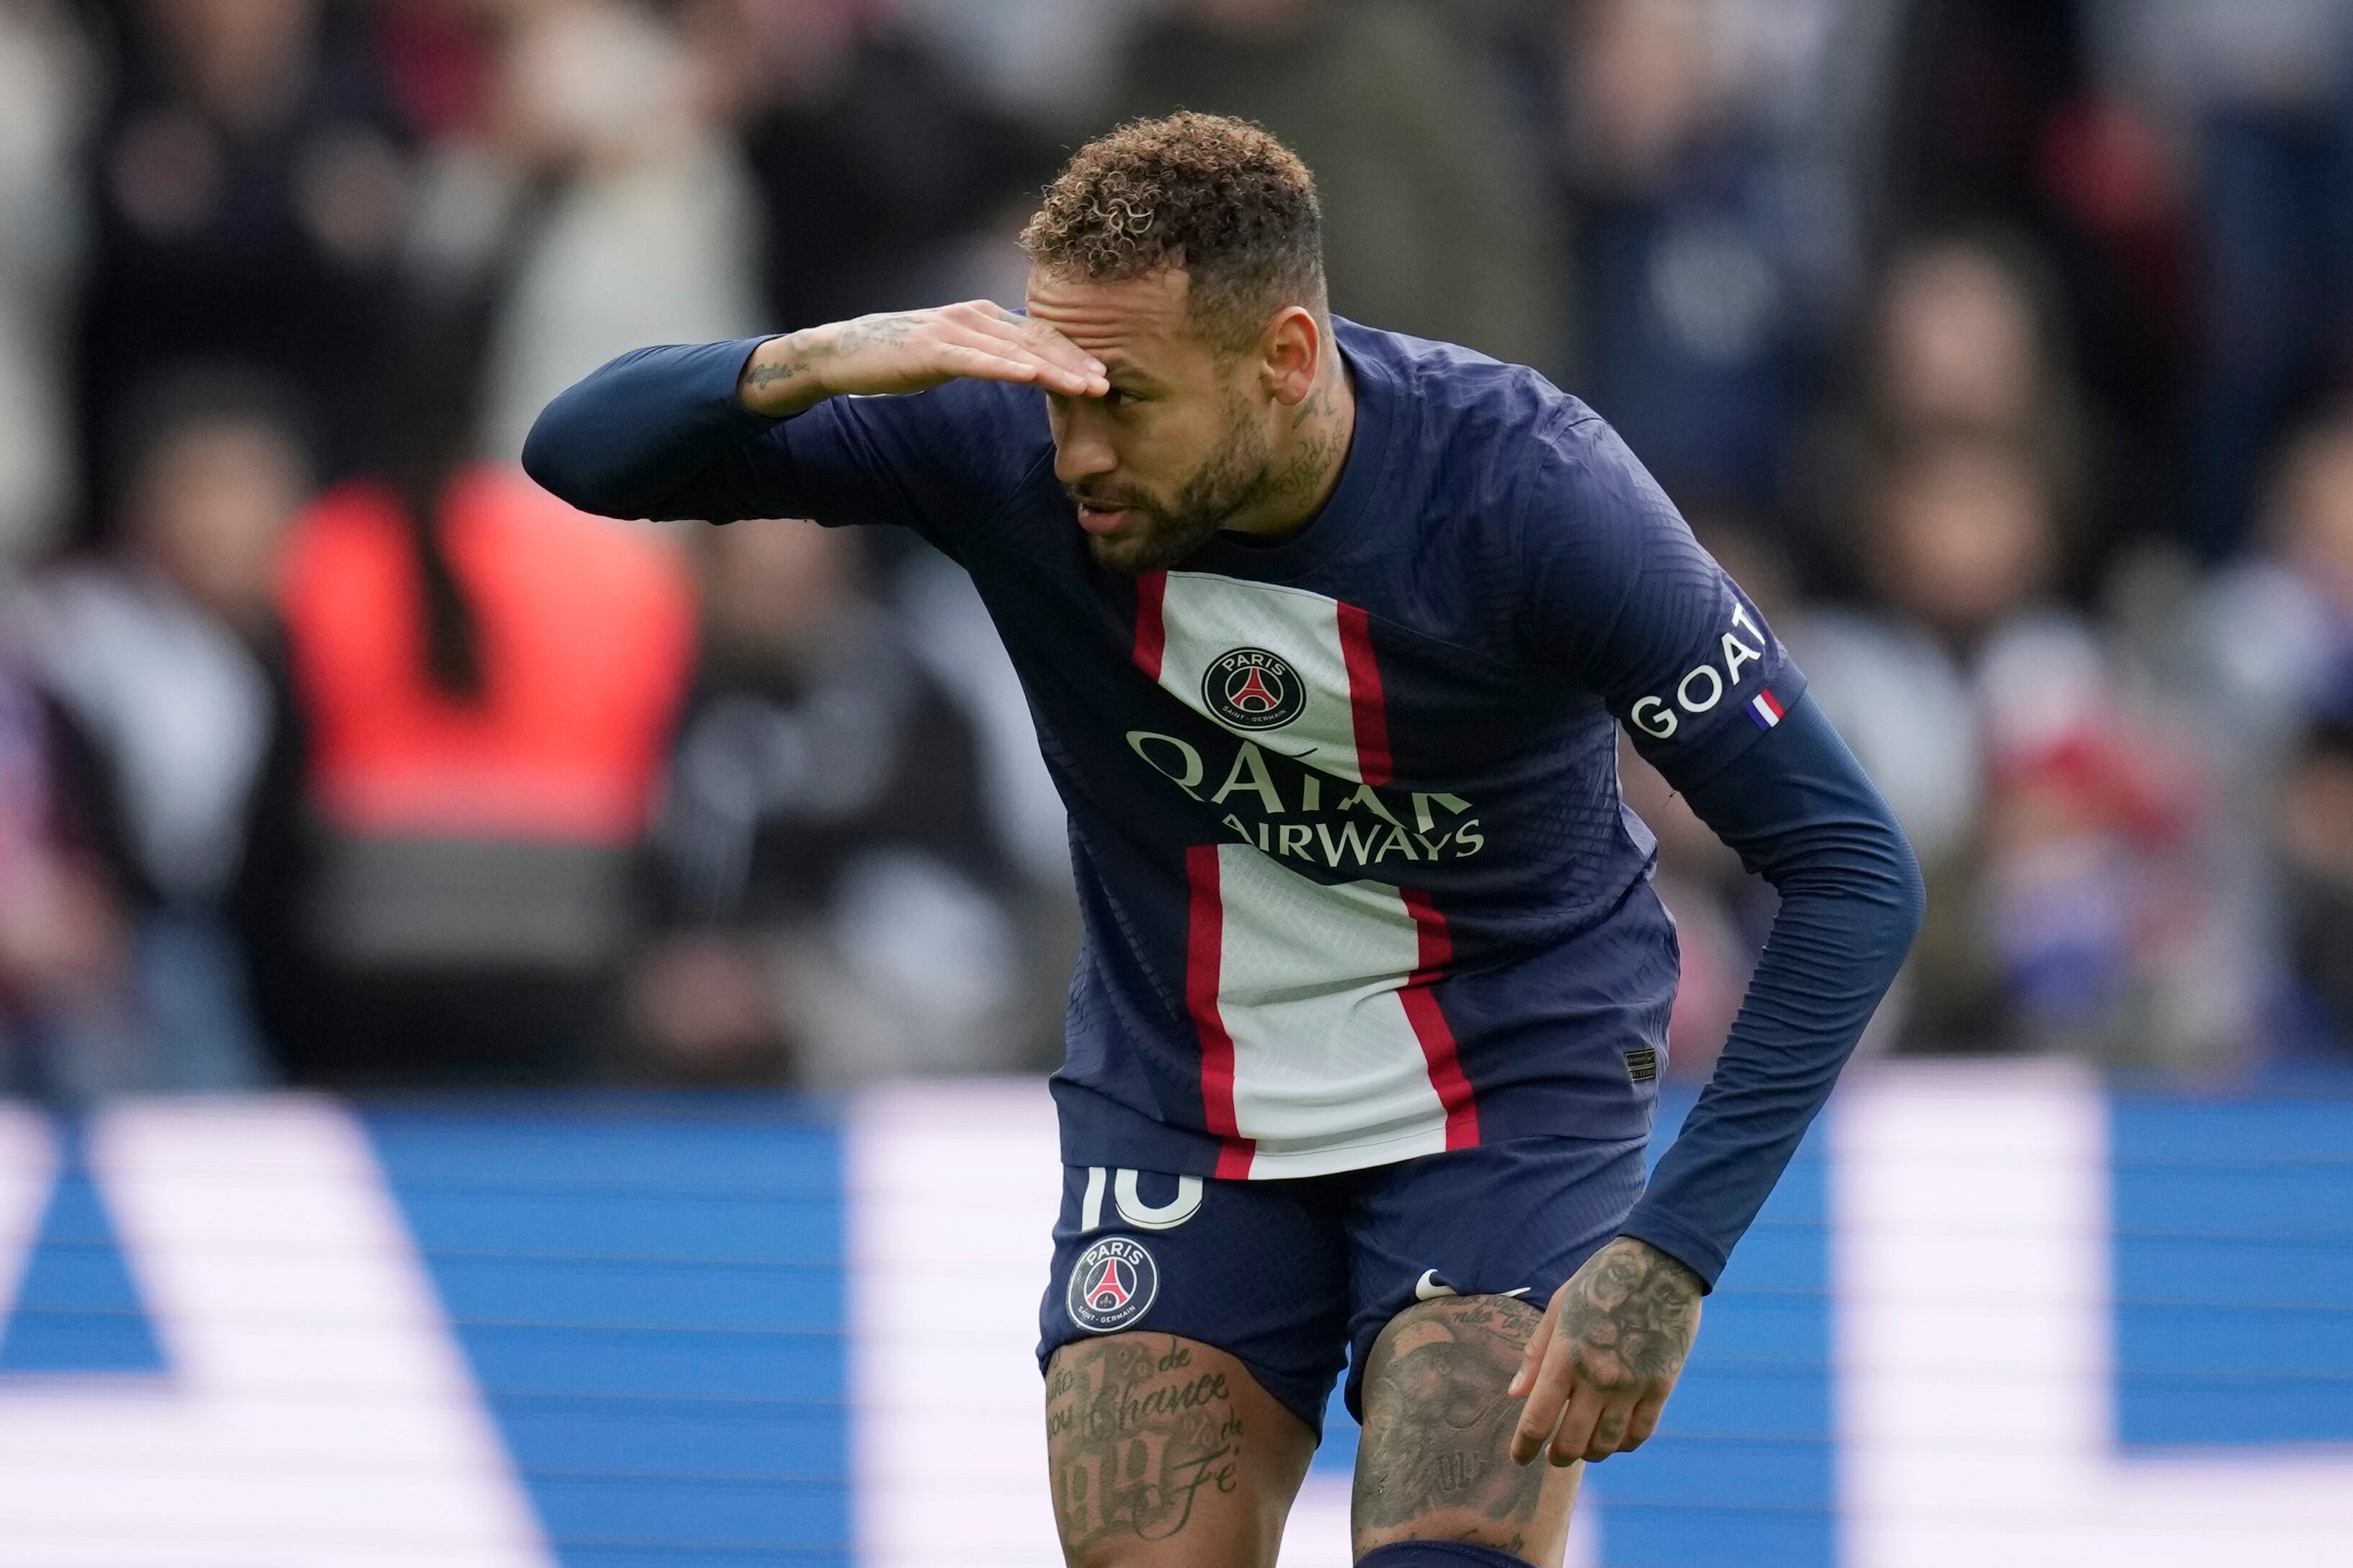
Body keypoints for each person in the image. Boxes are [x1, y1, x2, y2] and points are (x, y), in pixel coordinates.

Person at [525, 114, 1921, 1568]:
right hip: (1187, 1095)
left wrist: (1672, 1254)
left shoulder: (1531, 495)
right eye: (1063, 391)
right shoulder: (1003, 428)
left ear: (1288, 361)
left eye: (1122, 399)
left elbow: (1852, 873)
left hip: (1501, 1081)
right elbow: (579, 453)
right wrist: (821, 358)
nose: (1075, 450)